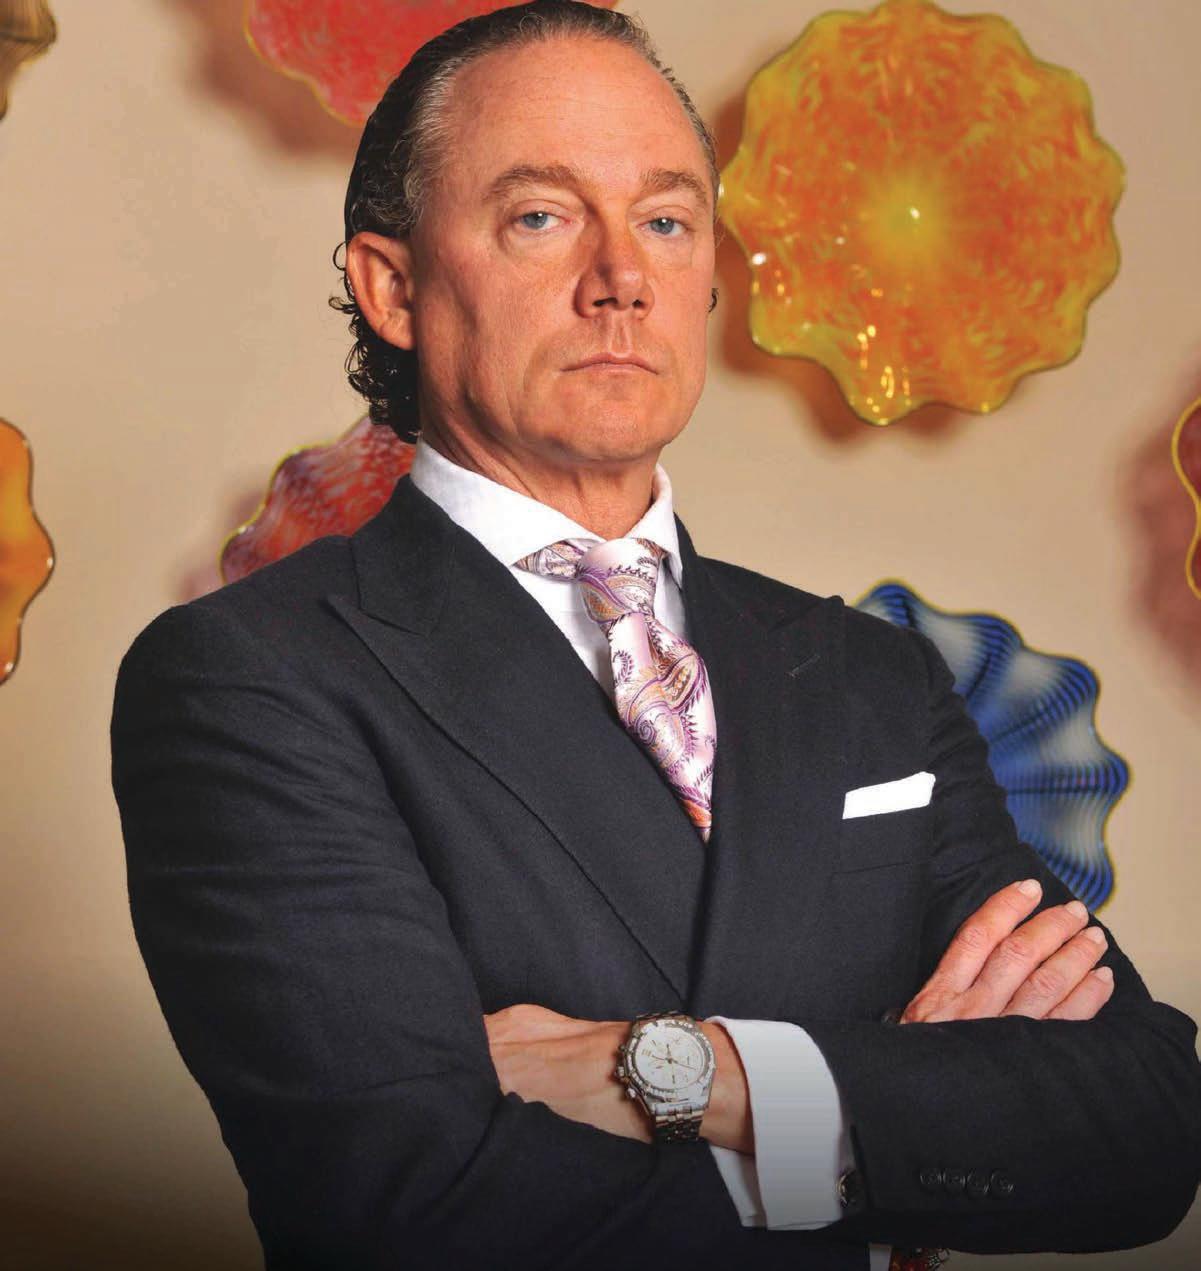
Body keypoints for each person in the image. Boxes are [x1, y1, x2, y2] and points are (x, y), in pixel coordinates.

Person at [110, 3, 1201, 1269]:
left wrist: (685, 1070)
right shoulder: (248, 678)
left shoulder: (870, 675)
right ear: (393, 287)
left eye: (668, 221)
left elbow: (1143, 1123)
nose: (622, 277)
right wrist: (892, 1118)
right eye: (541, 215)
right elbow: (412, 1207)